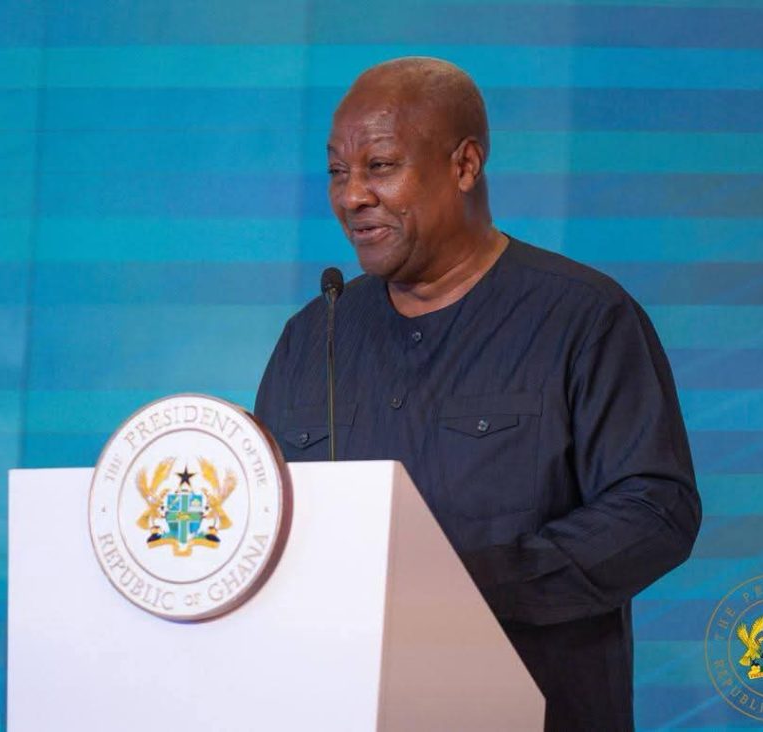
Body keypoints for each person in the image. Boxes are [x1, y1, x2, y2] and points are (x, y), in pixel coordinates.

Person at [255, 57, 700, 731]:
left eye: (380, 166)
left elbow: (655, 509)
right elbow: (267, 522)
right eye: (338, 172)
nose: (351, 196)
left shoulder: (583, 317)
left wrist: (468, 586)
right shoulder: (313, 335)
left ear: (464, 166)